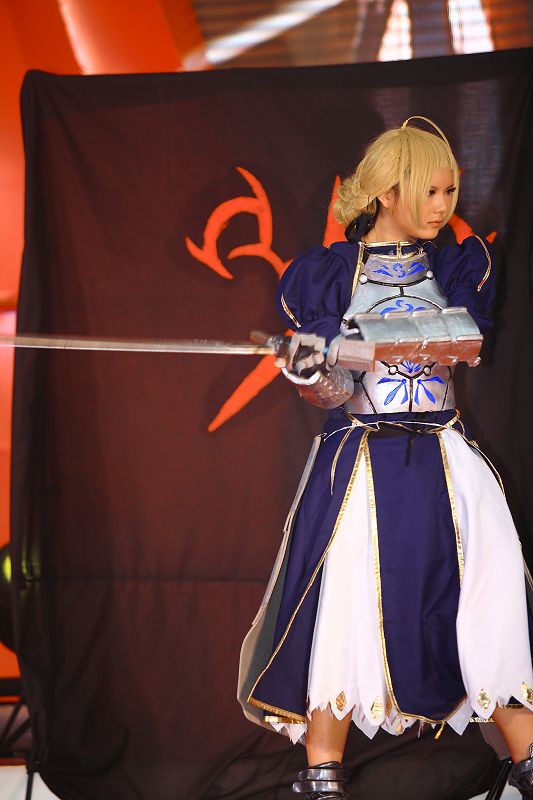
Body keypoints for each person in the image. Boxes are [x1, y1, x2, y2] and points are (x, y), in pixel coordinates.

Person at [237, 117, 533, 799]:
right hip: (362, 463)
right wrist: (312, 368)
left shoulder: (456, 267)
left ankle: (527, 757)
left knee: (488, 604)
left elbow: (464, 343)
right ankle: (322, 772)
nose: (443, 205)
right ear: (387, 192)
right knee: (343, 604)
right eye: (429, 190)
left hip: (446, 459)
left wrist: (367, 341)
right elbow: (334, 392)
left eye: (448, 190)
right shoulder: (328, 277)